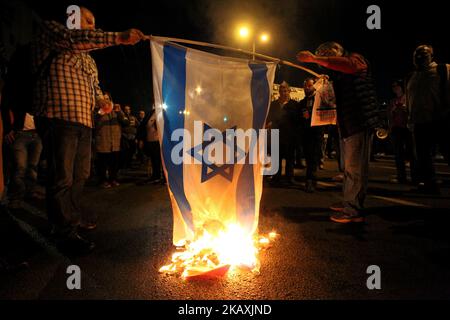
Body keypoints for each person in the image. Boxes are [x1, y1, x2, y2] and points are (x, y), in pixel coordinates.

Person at [32, 6, 144, 253]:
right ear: (72, 17)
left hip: (84, 121)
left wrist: (104, 101)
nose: (94, 27)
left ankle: (69, 217)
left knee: (80, 174)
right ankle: (63, 232)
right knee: (62, 175)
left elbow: (95, 89)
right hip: (57, 116)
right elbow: (73, 39)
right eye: (89, 21)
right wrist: (118, 37)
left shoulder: (89, 60)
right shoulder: (52, 31)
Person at [297, 41, 380, 223]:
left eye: (328, 56)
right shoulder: (341, 74)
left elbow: (349, 66)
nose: (327, 60)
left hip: (359, 122)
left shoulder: (355, 59)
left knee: (355, 170)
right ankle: (349, 203)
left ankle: (353, 211)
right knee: (350, 169)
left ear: (336, 52)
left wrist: (313, 58)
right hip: (349, 125)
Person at [406, 45, 450, 194]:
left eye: (424, 54)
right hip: (419, 122)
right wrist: (410, 118)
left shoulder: (443, 70)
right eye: (416, 54)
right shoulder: (413, 75)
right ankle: (430, 185)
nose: (419, 57)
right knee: (423, 157)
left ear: (432, 55)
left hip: (440, 120)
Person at [266, 81, 302, 186]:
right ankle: (276, 178)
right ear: (279, 92)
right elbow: (269, 118)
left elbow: (298, 121)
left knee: (290, 159)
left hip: (289, 137)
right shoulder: (274, 105)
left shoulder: (295, 105)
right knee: (276, 158)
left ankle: (289, 178)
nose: (283, 92)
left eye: (285, 90)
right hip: (276, 136)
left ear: (289, 91)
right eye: (281, 91)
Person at [94, 96, 128, 190]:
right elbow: (92, 122)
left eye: (107, 99)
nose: (106, 101)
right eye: (104, 99)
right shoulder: (97, 111)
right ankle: (103, 181)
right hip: (103, 142)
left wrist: (120, 112)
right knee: (102, 164)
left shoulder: (116, 112)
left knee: (114, 163)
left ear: (111, 100)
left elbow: (126, 123)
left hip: (115, 143)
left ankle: (113, 179)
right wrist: (100, 113)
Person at [298, 78, 324, 192]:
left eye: (309, 85)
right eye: (305, 86)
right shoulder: (302, 102)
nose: (307, 88)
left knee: (314, 159)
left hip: (316, 134)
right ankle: (312, 180)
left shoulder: (319, 100)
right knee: (309, 159)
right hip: (306, 135)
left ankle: (311, 181)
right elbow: (297, 118)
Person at [388, 80, 415, 184]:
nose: (395, 88)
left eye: (397, 86)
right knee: (399, 154)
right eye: (393, 86)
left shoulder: (407, 98)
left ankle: (415, 176)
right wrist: (393, 110)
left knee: (411, 153)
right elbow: (389, 116)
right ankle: (401, 176)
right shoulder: (393, 101)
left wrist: (405, 109)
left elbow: (412, 111)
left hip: (407, 128)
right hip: (396, 128)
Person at [136, 107, 163, 184]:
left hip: (159, 141)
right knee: (154, 159)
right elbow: (143, 126)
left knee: (160, 160)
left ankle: (164, 177)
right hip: (150, 141)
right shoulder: (150, 113)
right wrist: (141, 139)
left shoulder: (163, 113)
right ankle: (156, 175)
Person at [120, 105, 139, 169]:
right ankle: (124, 165)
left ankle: (129, 164)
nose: (127, 110)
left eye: (128, 109)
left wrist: (137, 137)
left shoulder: (133, 118)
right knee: (125, 151)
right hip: (125, 137)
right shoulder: (122, 117)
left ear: (130, 110)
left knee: (132, 151)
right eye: (125, 109)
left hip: (133, 137)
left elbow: (138, 125)